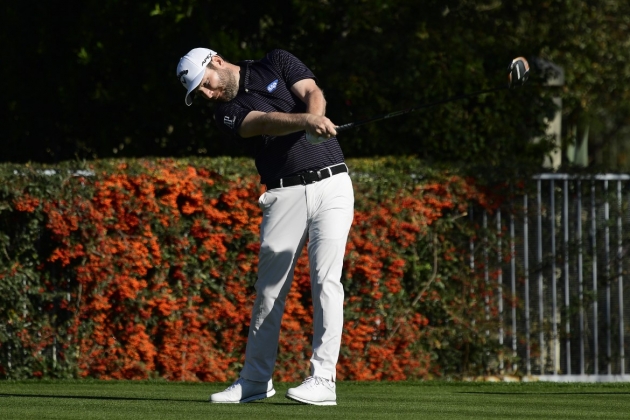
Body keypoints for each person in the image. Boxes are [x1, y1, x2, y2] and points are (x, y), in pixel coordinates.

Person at [176, 47, 354, 406]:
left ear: (216, 61)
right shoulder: (225, 112)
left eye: (205, 85)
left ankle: (323, 380)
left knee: (326, 281)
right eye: (200, 94)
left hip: (333, 184)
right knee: (269, 291)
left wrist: (316, 120)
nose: (208, 94)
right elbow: (261, 122)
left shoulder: (276, 61)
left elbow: (312, 93)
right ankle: (255, 380)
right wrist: (306, 123)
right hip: (283, 193)